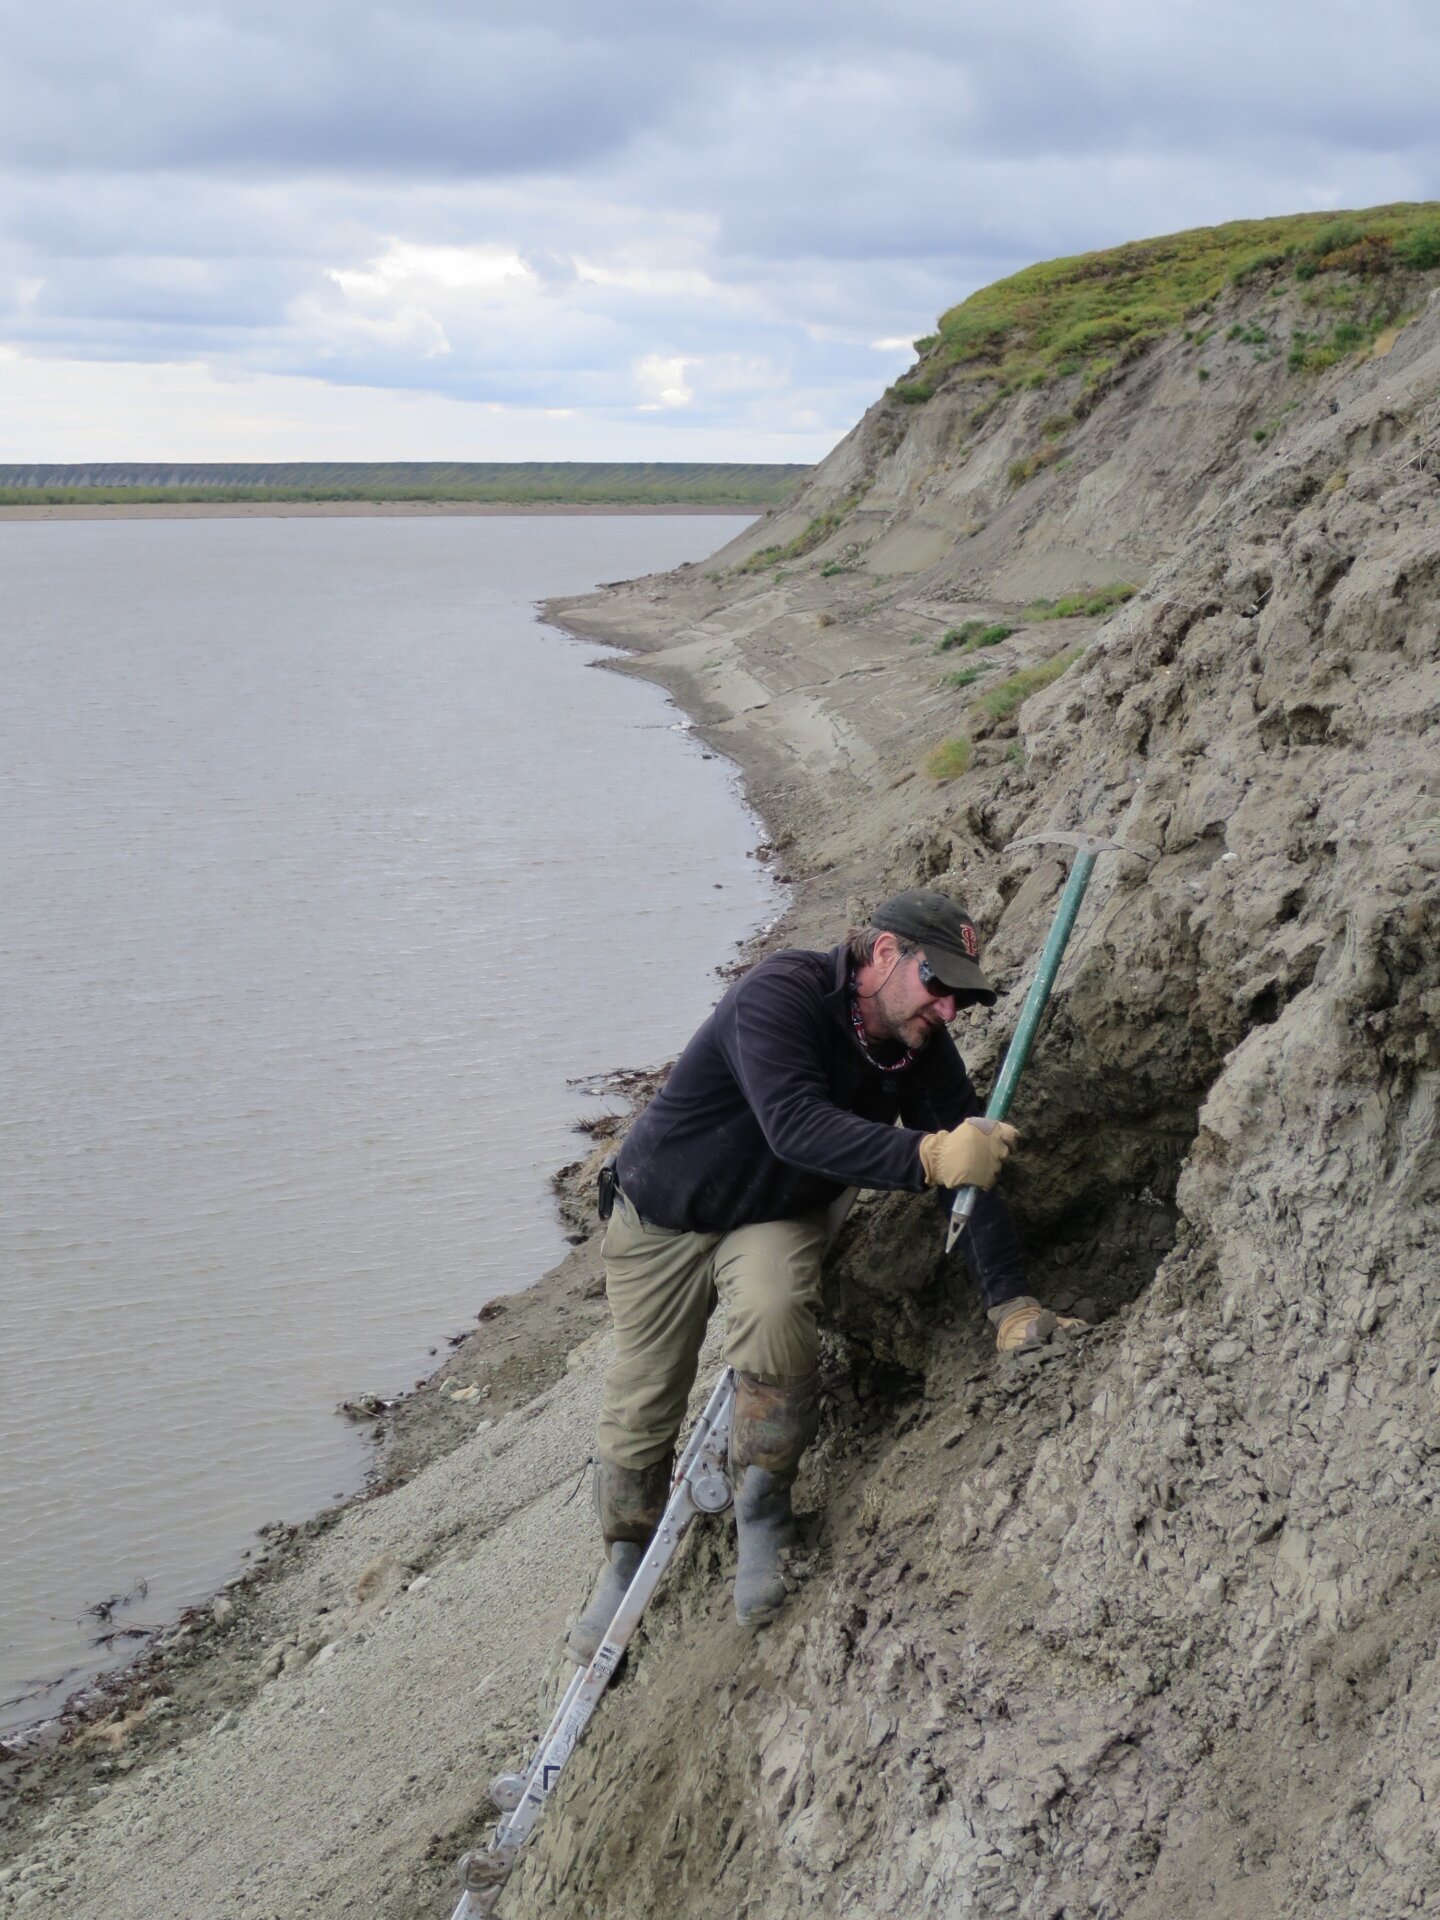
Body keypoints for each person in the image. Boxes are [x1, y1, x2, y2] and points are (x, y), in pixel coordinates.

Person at [568, 887, 1080, 1663]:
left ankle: (763, 1508)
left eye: (959, 998)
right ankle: (624, 1554)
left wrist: (1009, 1301)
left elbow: (972, 1172)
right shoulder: (778, 997)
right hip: (662, 1213)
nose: (947, 1011)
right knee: (644, 1392)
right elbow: (796, 1124)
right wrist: (927, 1155)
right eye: (937, 986)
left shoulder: (920, 1050)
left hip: (774, 1214)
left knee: (776, 1313)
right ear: (884, 956)